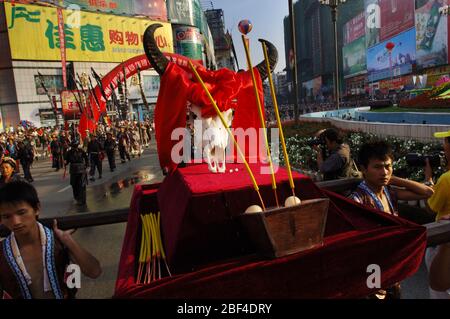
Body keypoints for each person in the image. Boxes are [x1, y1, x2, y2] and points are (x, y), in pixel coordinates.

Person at [349, 140, 434, 299]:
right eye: (377, 167)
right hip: (372, 268)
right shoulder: (358, 201)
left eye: (387, 166)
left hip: (392, 264)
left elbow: (428, 192)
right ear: (363, 170)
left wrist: (393, 179)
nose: (384, 172)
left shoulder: (389, 192)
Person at [0, 181, 101, 299]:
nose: (16, 221)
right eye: (7, 216)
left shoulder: (58, 242)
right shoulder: (2, 252)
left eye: (21, 212)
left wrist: (68, 240)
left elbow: (94, 271)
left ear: (37, 209)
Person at [424, 131, 450, 298]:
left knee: (439, 291)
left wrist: (428, 181)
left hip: (443, 241)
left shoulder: (446, 179)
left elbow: (430, 208)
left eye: (446, 147)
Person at [64, 141, 89, 206]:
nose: (74, 147)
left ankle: (82, 200)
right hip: (74, 170)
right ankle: (77, 198)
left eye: (75, 146)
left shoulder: (81, 151)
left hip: (81, 170)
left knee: (82, 185)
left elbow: (86, 158)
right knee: (74, 185)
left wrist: (86, 165)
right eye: (73, 146)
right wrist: (65, 162)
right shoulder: (69, 152)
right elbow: (66, 160)